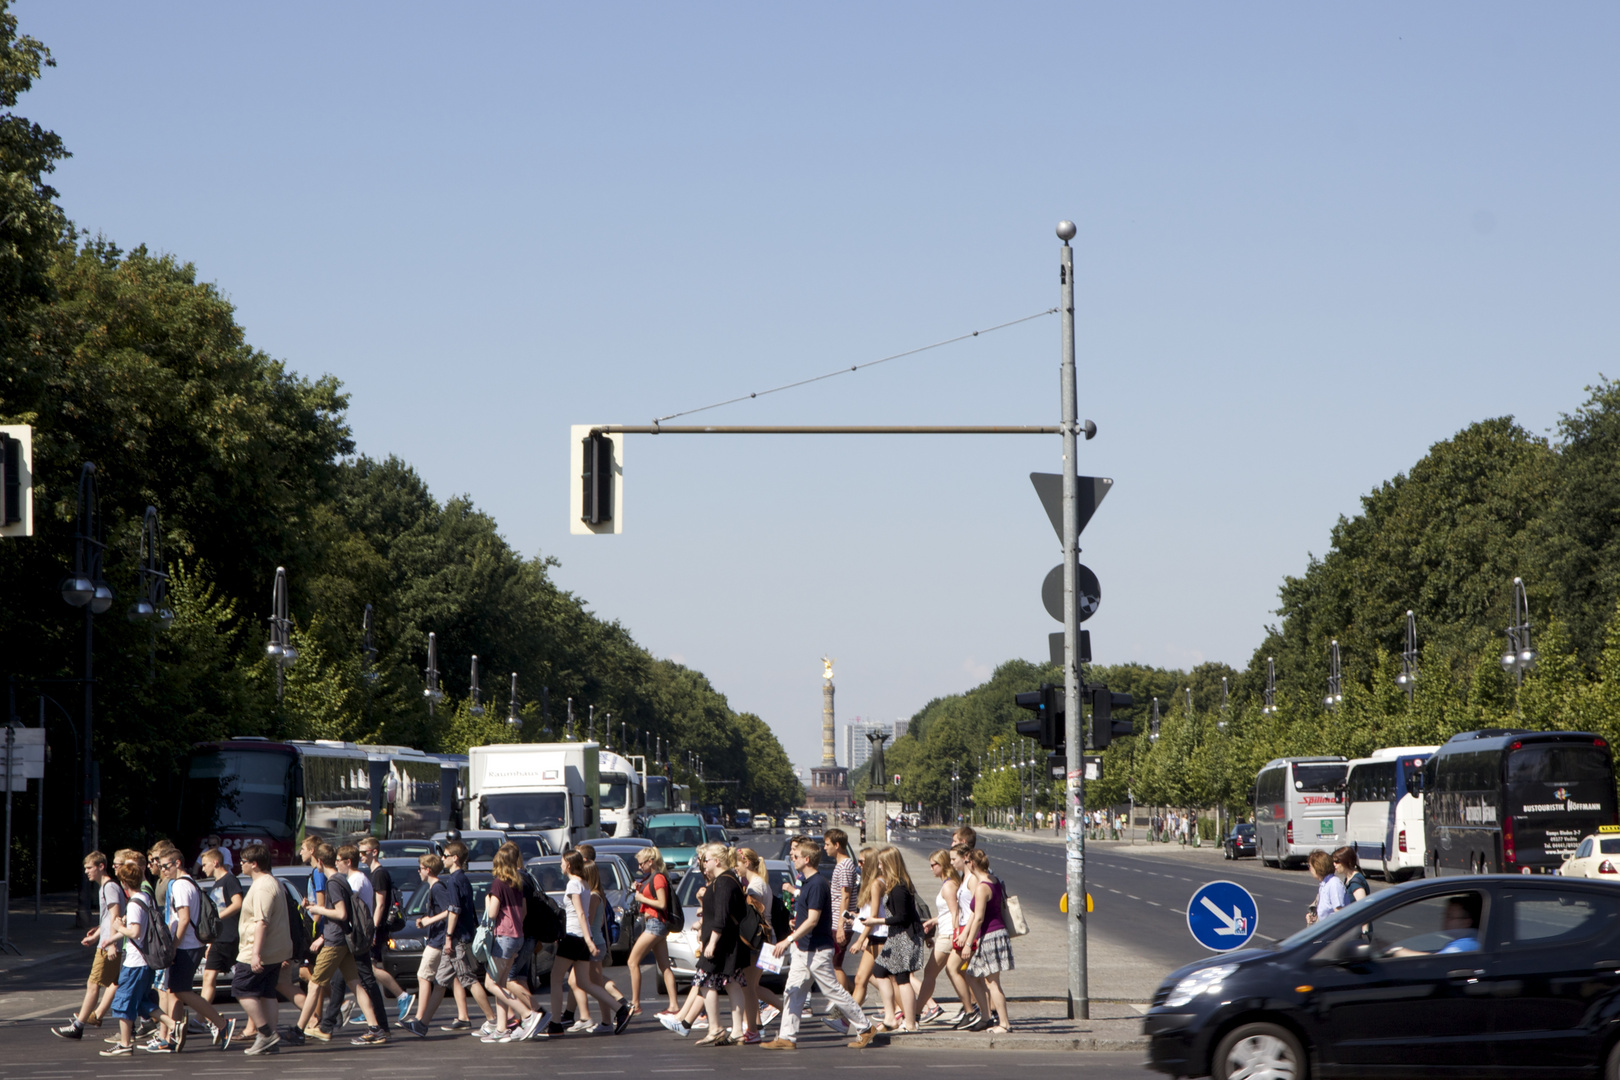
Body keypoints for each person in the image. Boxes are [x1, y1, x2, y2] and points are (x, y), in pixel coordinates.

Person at [760, 838, 875, 1050]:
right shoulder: (806, 883)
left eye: (795, 856)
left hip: (818, 949)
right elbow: (807, 917)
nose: (792, 859)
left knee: (833, 991)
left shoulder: (818, 884)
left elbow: (813, 920)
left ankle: (865, 1027)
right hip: (804, 948)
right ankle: (787, 1037)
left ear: (806, 859)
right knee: (792, 991)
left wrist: (788, 939)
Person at [285, 843, 387, 1046]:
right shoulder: (342, 879)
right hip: (345, 940)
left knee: (314, 984)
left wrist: (318, 909)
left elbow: (341, 913)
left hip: (335, 940)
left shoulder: (333, 882)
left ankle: (298, 1030)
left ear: (320, 861)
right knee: (355, 984)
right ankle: (375, 1028)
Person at [150, 845, 234, 1051]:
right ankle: (173, 1037)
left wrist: (173, 946)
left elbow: (184, 918)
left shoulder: (180, 885)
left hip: (186, 945)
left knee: (181, 991)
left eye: (166, 866)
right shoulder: (189, 883)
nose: (163, 870)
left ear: (177, 863)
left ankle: (221, 1023)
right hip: (190, 944)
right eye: (161, 866)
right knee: (175, 992)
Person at [550, 850, 630, 1036]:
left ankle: (555, 1023)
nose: (560, 865)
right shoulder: (585, 884)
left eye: (562, 862)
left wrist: (588, 939)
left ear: (569, 865)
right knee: (585, 982)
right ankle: (620, 1009)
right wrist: (588, 940)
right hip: (582, 939)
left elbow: (580, 914)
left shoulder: (573, 884)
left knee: (555, 977)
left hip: (573, 936)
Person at [54, 851, 123, 1040]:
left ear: (101, 867)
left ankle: (78, 1026)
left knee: (93, 984)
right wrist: (96, 936)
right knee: (121, 984)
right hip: (108, 941)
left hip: (109, 945)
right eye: (85, 868)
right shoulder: (106, 887)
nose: (86, 872)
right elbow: (109, 919)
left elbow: (115, 917)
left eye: (89, 867)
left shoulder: (109, 887)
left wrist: (111, 943)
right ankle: (149, 1021)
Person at [481, 843, 547, 1042]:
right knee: (501, 983)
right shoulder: (517, 882)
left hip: (503, 937)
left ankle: (527, 1014)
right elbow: (524, 911)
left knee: (490, 983)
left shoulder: (498, 884)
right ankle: (502, 1028)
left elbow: (492, 913)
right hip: (518, 935)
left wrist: (487, 900)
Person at [234, 843, 292, 1056]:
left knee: (241, 989)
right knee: (267, 993)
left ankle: (266, 1033)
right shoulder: (272, 883)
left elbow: (262, 922)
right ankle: (269, 1040)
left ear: (254, 864)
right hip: (275, 949)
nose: (240, 864)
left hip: (259, 950)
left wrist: (256, 953)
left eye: (243, 861)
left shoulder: (262, 887)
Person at [335, 844, 391, 1045]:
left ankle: (378, 1027)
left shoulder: (356, 880)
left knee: (364, 980)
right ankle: (379, 1026)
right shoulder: (357, 879)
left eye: (338, 860)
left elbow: (351, 909)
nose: (336, 864)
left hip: (357, 936)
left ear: (347, 862)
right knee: (354, 980)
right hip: (357, 936)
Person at [866, 846, 923, 1032]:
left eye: (882, 863)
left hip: (904, 937)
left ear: (890, 864)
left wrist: (877, 920)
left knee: (903, 978)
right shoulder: (896, 884)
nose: (879, 866)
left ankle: (910, 1023)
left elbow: (902, 917)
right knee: (879, 971)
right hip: (896, 937)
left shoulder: (899, 888)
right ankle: (891, 1017)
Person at [910, 848, 971, 1025]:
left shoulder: (949, 885)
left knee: (931, 973)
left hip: (949, 935)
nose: (931, 869)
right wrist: (934, 921)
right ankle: (969, 1008)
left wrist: (955, 935)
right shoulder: (948, 883)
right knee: (952, 972)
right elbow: (948, 912)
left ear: (941, 865)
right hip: (947, 931)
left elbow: (955, 913)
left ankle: (917, 1012)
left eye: (933, 865)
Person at [960, 848, 1014, 1033]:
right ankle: (986, 1016)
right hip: (994, 934)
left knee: (992, 982)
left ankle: (1004, 1023)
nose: (965, 865)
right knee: (972, 975)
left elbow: (979, 917)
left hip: (990, 936)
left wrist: (968, 943)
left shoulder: (983, 887)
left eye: (966, 862)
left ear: (972, 863)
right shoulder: (994, 881)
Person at [735, 846, 784, 1040]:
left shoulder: (755, 887)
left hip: (758, 940)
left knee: (749, 986)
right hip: (766, 938)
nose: (736, 869)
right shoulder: (760, 883)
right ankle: (756, 1025)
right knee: (752, 986)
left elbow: (752, 915)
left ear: (746, 863)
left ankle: (755, 1028)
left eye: (737, 864)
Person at [356, 838, 409, 1017]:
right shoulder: (374, 873)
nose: (360, 855)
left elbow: (380, 904)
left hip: (377, 929)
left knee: (370, 968)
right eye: (360, 852)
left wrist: (373, 930)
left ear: (374, 852)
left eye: (364, 852)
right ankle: (369, 1008)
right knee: (367, 968)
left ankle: (402, 996)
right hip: (375, 928)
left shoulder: (379, 874)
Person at [627, 846, 679, 1016]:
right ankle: (673, 1005)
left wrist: (641, 898)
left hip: (655, 924)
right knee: (664, 966)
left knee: (632, 962)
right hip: (656, 924)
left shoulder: (658, 878)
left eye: (642, 864)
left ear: (651, 862)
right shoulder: (651, 877)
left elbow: (662, 903)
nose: (639, 867)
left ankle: (635, 1004)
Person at [402, 854, 450, 1037]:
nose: (418, 871)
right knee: (450, 980)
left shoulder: (437, 888)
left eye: (420, 868)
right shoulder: (433, 888)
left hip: (438, 940)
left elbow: (448, 910)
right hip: (437, 939)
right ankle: (422, 1020)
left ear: (428, 870)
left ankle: (419, 1018)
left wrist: (429, 921)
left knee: (423, 976)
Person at [947, 843, 989, 1029]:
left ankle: (971, 1011)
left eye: (954, 859)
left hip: (970, 929)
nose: (951, 862)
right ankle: (978, 1010)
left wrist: (965, 935)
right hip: (963, 929)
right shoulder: (964, 878)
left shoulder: (972, 879)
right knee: (970, 974)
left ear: (965, 858)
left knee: (954, 968)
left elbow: (975, 910)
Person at [198, 848, 242, 1011]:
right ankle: (201, 1018)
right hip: (218, 938)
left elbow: (237, 903)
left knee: (241, 981)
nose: (202, 869)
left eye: (204, 865)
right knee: (208, 977)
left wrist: (217, 917)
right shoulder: (216, 884)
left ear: (215, 863)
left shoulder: (230, 880)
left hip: (231, 937)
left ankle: (255, 1018)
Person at [822, 828, 858, 991]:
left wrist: (841, 925)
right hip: (836, 921)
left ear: (837, 845)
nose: (824, 847)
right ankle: (854, 992)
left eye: (827, 844)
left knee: (835, 965)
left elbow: (845, 896)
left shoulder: (844, 866)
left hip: (840, 923)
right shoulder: (843, 865)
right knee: (832, 964)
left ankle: (844, 1004)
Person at [1305, 849, 1347, 925]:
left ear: (1318, 866)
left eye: (1310, 866)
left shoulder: (1334, 884)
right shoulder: (1324, 884)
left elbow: (1339, 912)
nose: (1309, 869)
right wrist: (1315, 918)